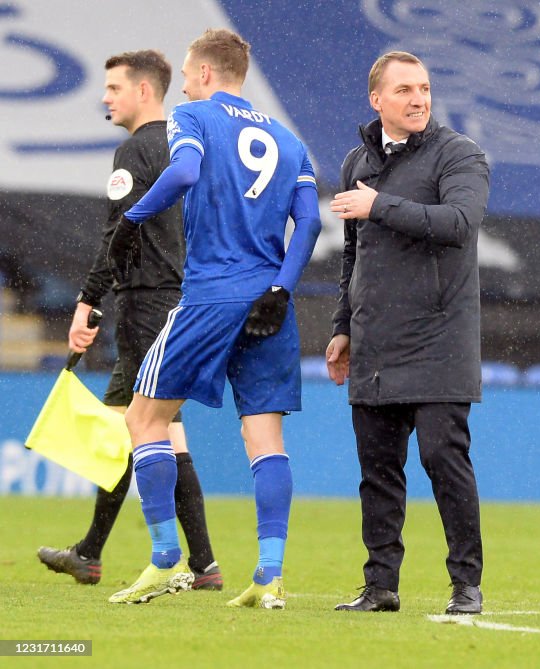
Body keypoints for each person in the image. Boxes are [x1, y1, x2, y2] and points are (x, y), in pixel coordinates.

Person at [104, 29, 321, 608]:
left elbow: (183, 175)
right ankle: (269, 575)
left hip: (209, 294)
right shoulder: (290, 140)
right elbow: (312, 224)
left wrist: (132, 221)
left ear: (202, 74)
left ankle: (164, 558)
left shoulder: (193, 116)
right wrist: (281, 286)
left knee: (145, 420)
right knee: (266, 439)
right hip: (269, 302)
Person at [37, 50, 221, 592]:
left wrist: (87, 301)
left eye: (114, 88)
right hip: (186, 301)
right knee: (159, 430)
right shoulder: (192, 146)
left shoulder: (134, 151)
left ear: (145, 91)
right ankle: (201, 564)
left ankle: (100, 554)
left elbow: (117, 234)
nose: (105, 97)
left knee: (134, 427)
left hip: (145, 305)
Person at [325, 51, 490, 615]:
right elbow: (353, 253)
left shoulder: (460, 154)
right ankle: (380, 586)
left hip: (440, 338)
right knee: (377, 472)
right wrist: (344, 326)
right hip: (375, 343)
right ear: (377, 100)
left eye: (424, 88)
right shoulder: (356, 163)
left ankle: (466, 585)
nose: (418, 99)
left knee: (445, 461)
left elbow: (460, 224)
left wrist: (380, 204)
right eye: (404, 90)